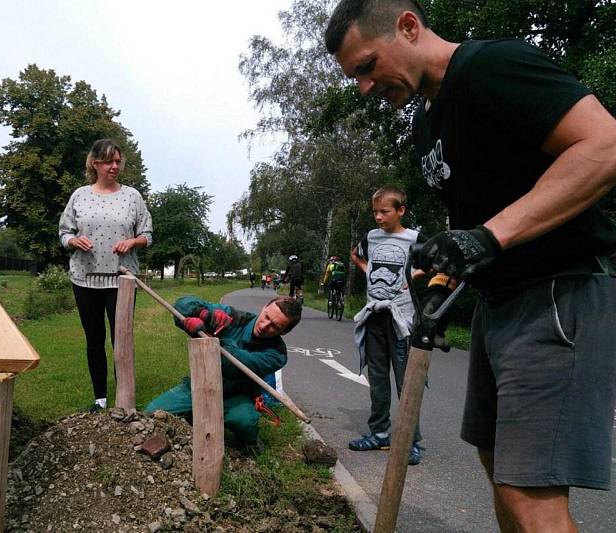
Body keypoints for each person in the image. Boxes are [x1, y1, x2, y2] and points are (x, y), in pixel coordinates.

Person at [326, 1, 616, 530]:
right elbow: (474, 224)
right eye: (355, 78)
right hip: (497, 301)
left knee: (529, 492)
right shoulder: (428, 120)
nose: (364, 88)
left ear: (408, 27)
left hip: (557, 291)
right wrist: (443, 278)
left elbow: (606, 144)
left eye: (367, 67)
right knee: (497, 465)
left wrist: (489, 238)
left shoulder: (490, 68)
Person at [59, 139, 152, 412]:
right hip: (85, 278)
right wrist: (73, 241)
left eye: (118, 161)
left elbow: (147, 234)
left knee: (121, 339)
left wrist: (132, 242)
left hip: (122, 279)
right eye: (109, 161)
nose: (115, 166)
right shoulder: (79, 196)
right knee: (94, 338)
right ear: (95, 163)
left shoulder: (132, 197)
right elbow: (64, 233)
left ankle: (125, 399)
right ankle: (100, 398)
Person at [145, 295, 302, 450]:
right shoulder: (234, 317)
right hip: (199, 385)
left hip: (236, 397)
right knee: (150, 413)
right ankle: (193, 416)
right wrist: (204, 314)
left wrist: (208, 335)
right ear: (264, 308)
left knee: (246, 422)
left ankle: (250, 443)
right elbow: (181, 304)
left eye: (274, 326)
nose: (264, 325)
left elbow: (234, 364)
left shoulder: (277, 354)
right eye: (266, 316)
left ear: (284, 332)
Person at [348, 186, 425, 465]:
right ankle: (379, 434)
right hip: (374, 318)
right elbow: (356, 255)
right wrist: (368, 270)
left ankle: (410, 441)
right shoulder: (371, 237)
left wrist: (411, 276)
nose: (378, 217)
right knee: (378, 381)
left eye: (385, 212)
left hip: (401, 321)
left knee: (407, 383)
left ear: (400, 210)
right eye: (375, 212)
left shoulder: (414, 239)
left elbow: (435, 262)